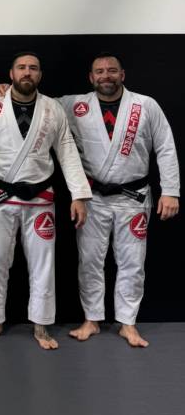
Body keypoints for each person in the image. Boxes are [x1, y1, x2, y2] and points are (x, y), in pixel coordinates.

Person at [0, 52, 90, 350]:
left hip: (40, 198)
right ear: (11, 74)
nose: (27, 72)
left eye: (33, 68)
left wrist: (78, 194)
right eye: (21, 67)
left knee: (43, 264)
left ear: (40, 75)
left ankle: (41, 325)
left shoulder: (52, 109)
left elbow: (67, 150)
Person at [61, 54, 179, 347]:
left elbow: (165, 146)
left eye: (112, 70)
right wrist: (4, 88)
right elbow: (37, 104)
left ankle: (128, 323)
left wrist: (170, 190)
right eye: (100, 71)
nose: (106, 76)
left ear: (122, 74)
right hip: (93, 198)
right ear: (91, 77)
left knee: (132, 263)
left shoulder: (145, 105)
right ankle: (91, 319)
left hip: (133, 198)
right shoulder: (75, 105)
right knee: (89, 261)